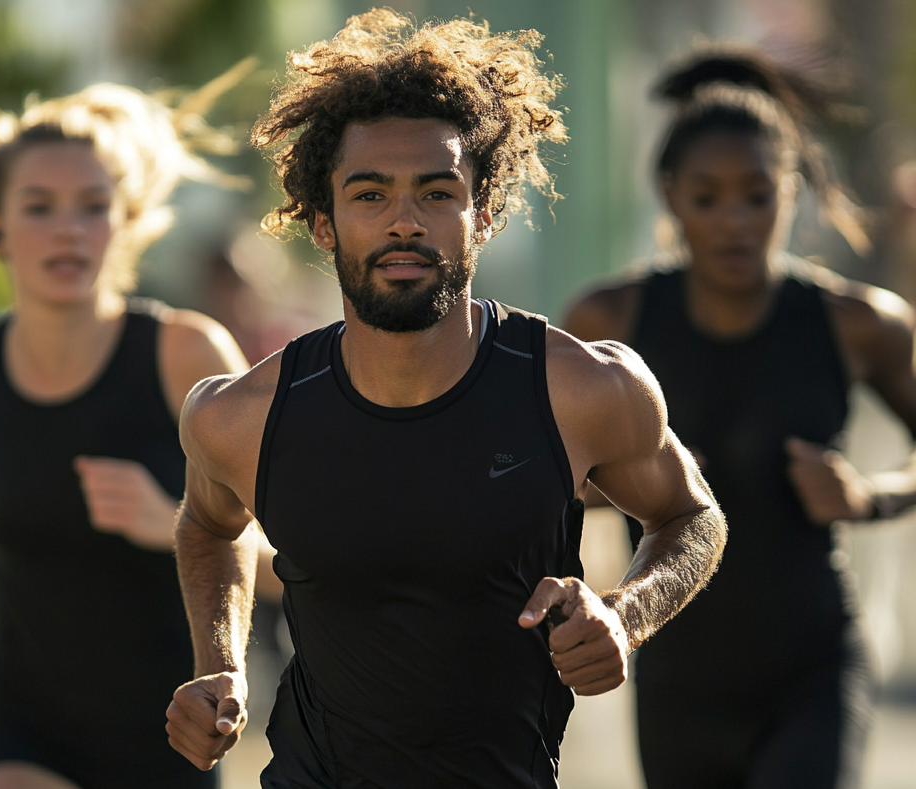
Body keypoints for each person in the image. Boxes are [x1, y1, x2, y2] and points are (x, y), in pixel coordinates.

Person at [165, 10, 727, 787]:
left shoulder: (583, 388)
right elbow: (207, 525)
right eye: (370, 196)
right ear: (323, 224)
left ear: (484, 213)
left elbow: (693, 516)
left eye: (437, 193)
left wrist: (625, 616)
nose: (404, 221)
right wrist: (218, 665)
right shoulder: (244, 415)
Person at [563, 46, 916, 789]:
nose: (735, 220)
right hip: (675, 676)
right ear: (669, 196)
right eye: (708, 196)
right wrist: (601, 489)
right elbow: (554, 476)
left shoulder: (858, 325)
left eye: (757, 195)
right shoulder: (610, 320)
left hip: (813, 667)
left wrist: (868, 495)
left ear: (793, 192)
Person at [0, 72, 256, 789]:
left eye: (93, 207)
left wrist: (180, 523)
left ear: (124, 223)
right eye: (39, 206)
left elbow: (290, 544)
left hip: (169, 727)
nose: (68, 228)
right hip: (24, 717)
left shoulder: (187, 355)